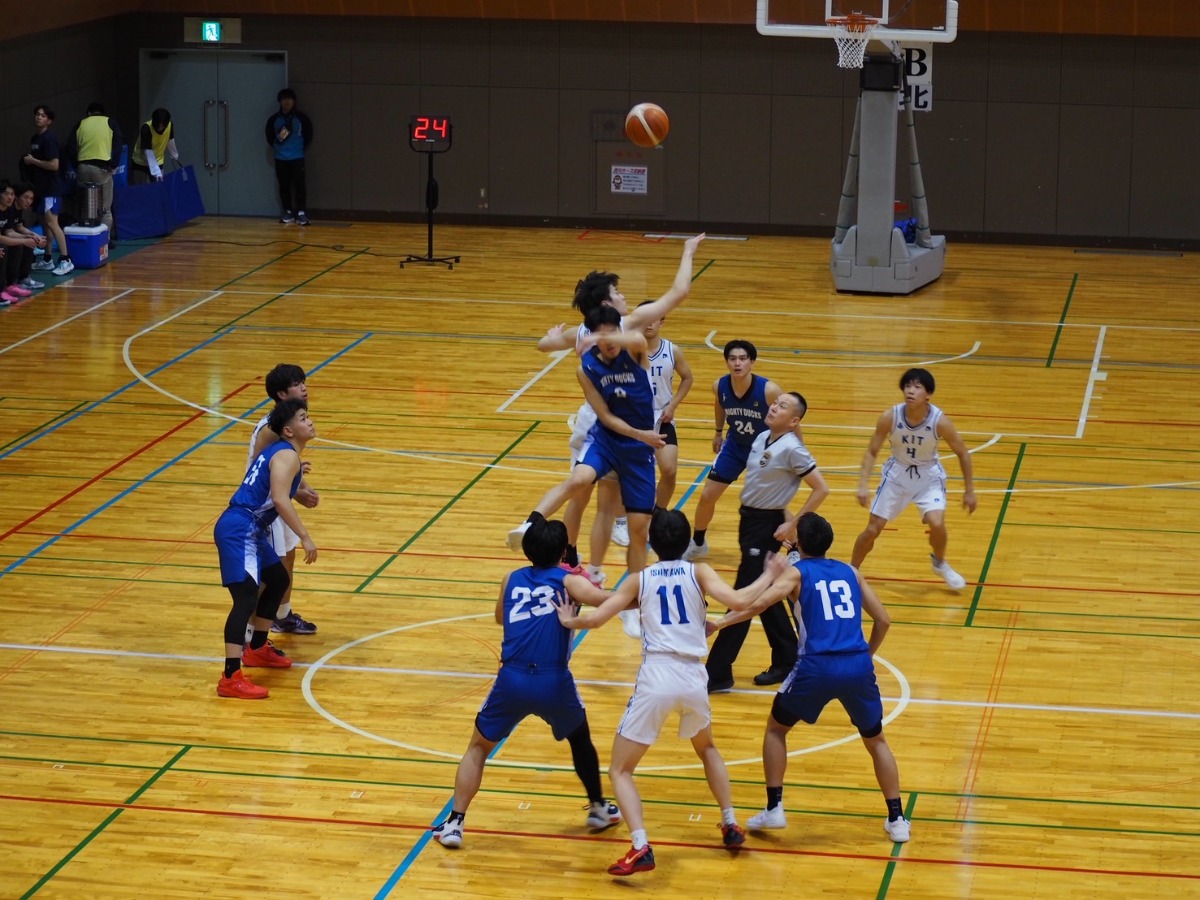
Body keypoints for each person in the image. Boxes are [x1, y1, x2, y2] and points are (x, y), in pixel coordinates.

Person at [551, 508, 789, 876]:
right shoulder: (700, 571)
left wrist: (571, 620)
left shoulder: (640, 578)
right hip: (694, 676)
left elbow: (597, 618)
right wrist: (769, 575)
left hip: (658, 675)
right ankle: (730, 822)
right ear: (686, 540)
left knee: (620, 770)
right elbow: (740, 601)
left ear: (651, 542)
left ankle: (640, 846)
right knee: (707, 748)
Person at [711, 512, 911, 844]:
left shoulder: (797, 573)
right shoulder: (851, 572)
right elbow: (884, 620)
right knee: (876, 740)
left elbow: (757, 605)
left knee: (776, 728)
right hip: (857, 666)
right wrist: (866, 657)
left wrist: (719, 624)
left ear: (799, 543)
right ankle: (897, 818)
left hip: (816, 667)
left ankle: (774, 808)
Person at [430, 517, 620, 850]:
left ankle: (455, 823)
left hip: (512, 680)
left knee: (478, 748)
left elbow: (500, 617)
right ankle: (598, 808)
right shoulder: (569, 582)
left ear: (528, 550)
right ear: (563, 553)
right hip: (553, 681)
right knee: (580, 739)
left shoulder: (511, 578)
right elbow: (608, 600)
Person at [534, 233, 705, 591]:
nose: (624, 296)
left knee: (587, 497)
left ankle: (578, 560)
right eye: (618, 292)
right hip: (607, 422)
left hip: (614, 421)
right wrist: (688, 252)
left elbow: (544, 345)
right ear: (605, 303)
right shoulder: (628, 325)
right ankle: (574, 558)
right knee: (587, 494)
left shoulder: (585, 330)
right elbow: (679, 292)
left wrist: (552, 337)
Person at [509, 306, 665, 582]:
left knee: (639, 529)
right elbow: (605, 416)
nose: (607, 340)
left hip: (638, 449)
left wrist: (599, 336)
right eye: (599, 335)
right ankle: (530, 524)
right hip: (608, 438)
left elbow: (636, 337)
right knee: (579, 480)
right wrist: (641, 434)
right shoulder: (586, 368)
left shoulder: (634, 348)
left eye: (612, 333)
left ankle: (633, 591)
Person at [705, 391, 829, 692]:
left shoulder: (793, 449)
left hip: (766, 527)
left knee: (744, 594)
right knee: (765, 593)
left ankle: (717, 671)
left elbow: (821, 489)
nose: (774, 407)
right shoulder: (762, 437)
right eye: (775, 403)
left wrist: (792, 524)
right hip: (749, 521)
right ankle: (787, 657)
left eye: (782, 406)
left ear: (794, 421)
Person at [213, 398, 318, 699]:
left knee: (278, 579)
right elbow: (280, 500)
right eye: (302, 418)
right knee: (245, 599)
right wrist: (305, 536)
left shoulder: (283, 454)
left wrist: (298, 484)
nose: (309, 421)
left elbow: (273, 490)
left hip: (249, 526)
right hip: (240, 528)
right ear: (288, 430)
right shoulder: (286, 455)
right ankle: (230, 677)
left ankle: (257, 648)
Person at [852, 368, 977, 590]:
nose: (910, 391)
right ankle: (852, 571)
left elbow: (963, 453)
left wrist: (969, 490)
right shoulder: (890, 417)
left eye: (917, 387)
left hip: (928, 477)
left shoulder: (940, 421)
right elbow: (872, 451)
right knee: (872, 530)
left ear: (928, 394)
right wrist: (863, 485)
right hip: (897, 475)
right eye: (908, 386)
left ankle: (939, 563)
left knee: (937, 523)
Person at [684, 339, 788, 560]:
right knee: (707, 495)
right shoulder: (719, 386)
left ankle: (794, 548)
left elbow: (789, 419)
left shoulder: (769, 390)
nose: (737, 363)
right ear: (726, 362)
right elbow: (720, 404)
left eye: (742, 359)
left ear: (752, 362)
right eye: (732, 359)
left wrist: (795, 449)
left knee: (774, 503)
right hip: (735, 447)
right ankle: (699, 542)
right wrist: (718, 432)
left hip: (763, 451)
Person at [610, 302, 694, 547]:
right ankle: (621, 521)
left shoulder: (671, 350)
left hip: (662, 417)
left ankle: (656, 515)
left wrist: (673, 405)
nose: (648, 323)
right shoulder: (625, 349)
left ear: (661, 321)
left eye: (654, 318)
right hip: (633, 418)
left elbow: (687, 378)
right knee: (623, 472)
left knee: (669, 470)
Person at [247, 364, 320, 635]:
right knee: (271, 570)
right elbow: (261, 471)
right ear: (281, 393)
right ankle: (252, 633)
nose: (304, 388)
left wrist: (301, 485)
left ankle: (282, 614)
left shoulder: (289, 422)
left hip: (277, 499)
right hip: (264, 504)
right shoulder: (270, 428)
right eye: (296, 384)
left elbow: (287, 465)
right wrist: (296, 493)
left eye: (303, 382)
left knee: (288, 556)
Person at [23, 105, 73, 276]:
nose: (39, 117)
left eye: (43, 115)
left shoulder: (49, 139)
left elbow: (54, 165)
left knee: (53, 223)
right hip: (40, 188)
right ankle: (47, 259)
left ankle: (66, 260)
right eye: (37, 114)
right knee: (45, 225)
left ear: (49, 120)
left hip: (51, 189)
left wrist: (33, 161)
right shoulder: (35, 139)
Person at [63, 101, 124, 235]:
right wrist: (113, 164)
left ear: (89, 113)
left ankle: (86, 237)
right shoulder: (110, 122)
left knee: (84, 206)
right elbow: (118, 143)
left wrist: (77, 164)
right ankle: (104, 241)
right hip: (102, 169)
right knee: (105, 209)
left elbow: (69, 147)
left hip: (82, 168)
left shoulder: (81, 124)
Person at [265, 88, 313, 226]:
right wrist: (279, 149)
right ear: (280, 102)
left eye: (289, 99)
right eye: (284, 99)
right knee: (284, 186)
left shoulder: (302, 119)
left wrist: (298, 149)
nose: (287, 102)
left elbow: (308, 135)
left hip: (297, 157)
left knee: (300, 186)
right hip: (280, 158)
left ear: (294, 101)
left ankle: (301, 213)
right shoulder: (274, 119)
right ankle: (287, 212)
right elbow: (269, 137)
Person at [0, 181, 46, 305]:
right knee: (6, 247)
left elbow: (11, 230)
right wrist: (25, 239)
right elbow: (5, 235)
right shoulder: (8, 209)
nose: (10, 197)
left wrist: (32, 237)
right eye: (6, 194)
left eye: (12, 194)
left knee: (22, 244)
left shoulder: (8, 210)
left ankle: (14, 283)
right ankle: (2, 288)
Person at [129, 108, 180, 185]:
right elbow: (148, 152)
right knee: (141, 189)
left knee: (159, 188)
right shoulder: (146, 128)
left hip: (158, 161)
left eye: (162, 125)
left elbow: (170, 140)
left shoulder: (169, 125)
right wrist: (157, 172)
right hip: (140, 163)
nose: (160, 128)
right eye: (158, 125)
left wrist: (174, 155)